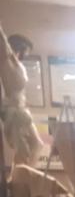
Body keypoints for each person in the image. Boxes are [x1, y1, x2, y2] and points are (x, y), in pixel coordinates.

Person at [0, 23, 42, 167]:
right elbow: (3, 43)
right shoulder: (6, 62)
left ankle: (23, 175)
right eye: (26, 52)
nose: (26, 56)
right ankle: (21, 178)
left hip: (21, 111)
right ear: (20, 49)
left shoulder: (17, 66)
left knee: (36, 145)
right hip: (15, 113)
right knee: (24, 153)